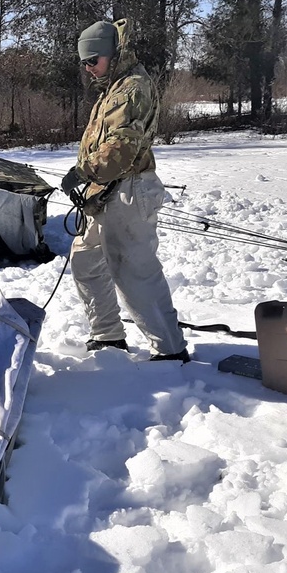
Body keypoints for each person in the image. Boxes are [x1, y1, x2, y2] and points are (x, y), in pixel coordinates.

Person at [60, 18, 189, 362]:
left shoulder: (132, 88)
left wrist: (82, 171)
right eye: (84, 63)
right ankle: (107, 335)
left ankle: (170, 350)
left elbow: (121, 148)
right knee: (87, 261)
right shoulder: (111, 89)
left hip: (130, 189)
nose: (88, 69)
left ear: (112, 55)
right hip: (105, 190)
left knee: (134, 271)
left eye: (93, 61)